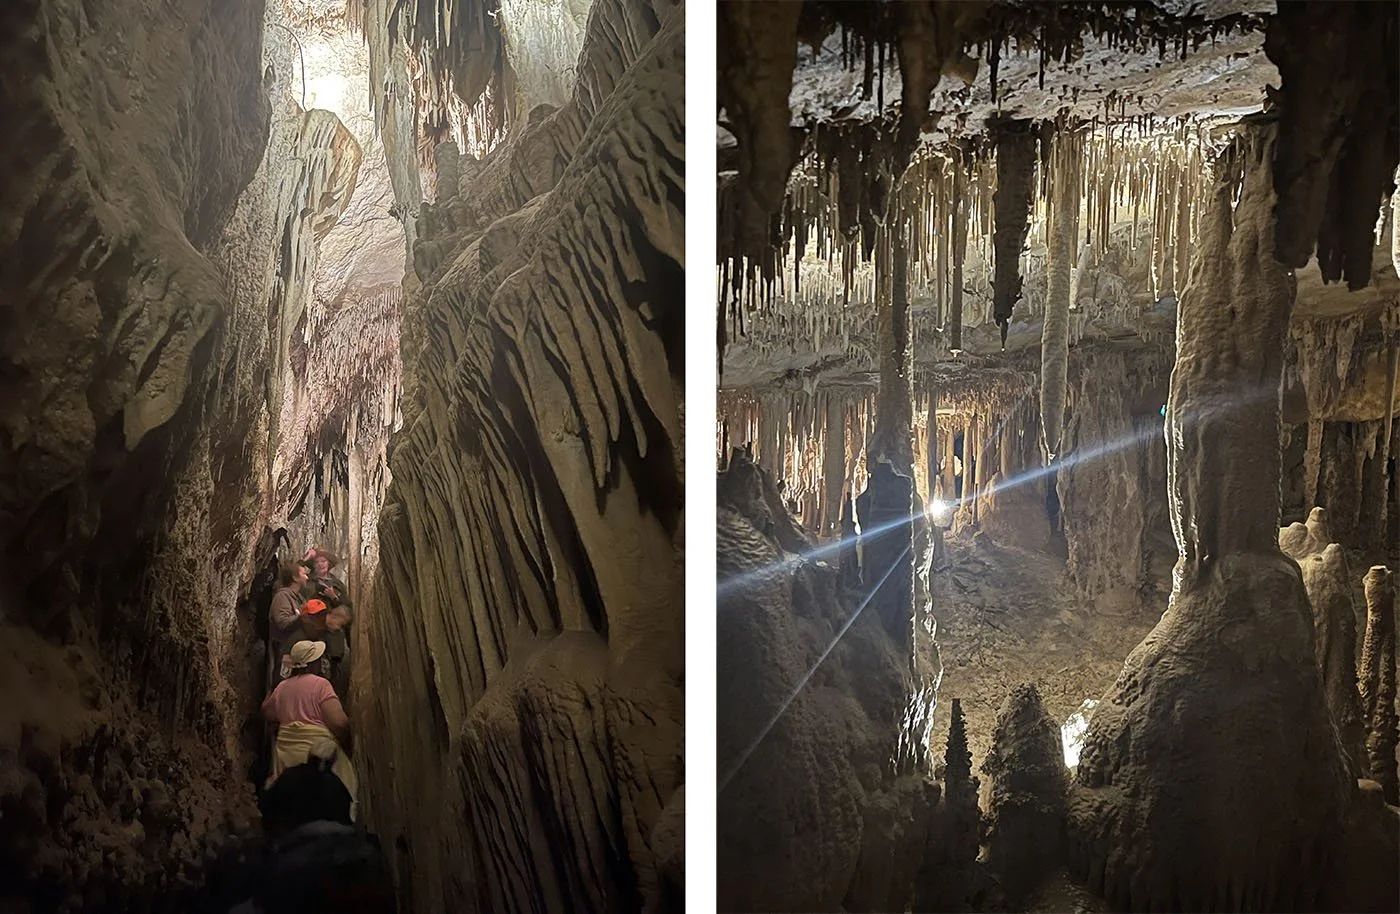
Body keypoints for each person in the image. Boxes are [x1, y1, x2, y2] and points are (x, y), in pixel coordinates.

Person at [261, 640, 357, 814]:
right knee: (344, 788)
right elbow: (339, 723)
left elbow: (267, 712)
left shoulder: (282, 688)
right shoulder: (320, 685)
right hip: (317, 752)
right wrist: (348, 744)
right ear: (313, 663)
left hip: (286, 755)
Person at [268, 562, 310, 688]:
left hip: (293, 651)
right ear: (295, 578)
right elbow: (282, 622)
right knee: (282, 686)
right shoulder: (282, 597)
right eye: (303, 574)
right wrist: (302, 616)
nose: (307, 577)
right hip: (284, 651)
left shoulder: (297, 598)